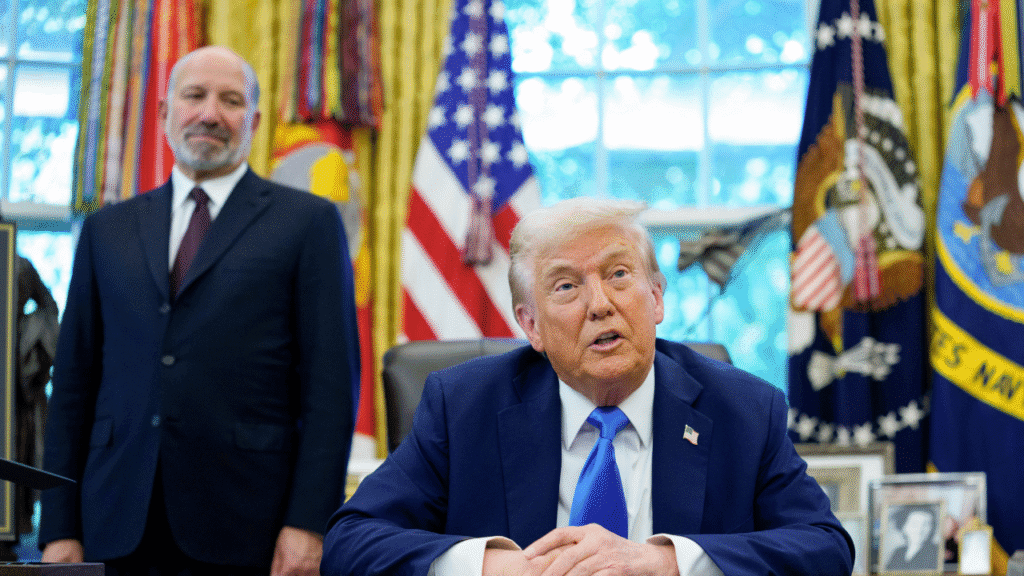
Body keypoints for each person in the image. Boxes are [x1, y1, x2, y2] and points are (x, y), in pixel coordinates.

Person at [321, 198, 853, 576]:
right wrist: (494, 566)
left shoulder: (742, 409)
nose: (600, 304)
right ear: (530, 325)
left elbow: (825, 547)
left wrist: (665, 562)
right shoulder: (463, 407)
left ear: (657, 297)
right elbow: (350, 543)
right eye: (566, 285)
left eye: (619, 274)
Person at [39, 45, 360, 576]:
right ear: (165, 111)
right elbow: (73, 385)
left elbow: (331, 390)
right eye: (195, 95)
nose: (210, 113)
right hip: (113, 522)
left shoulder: (308, 224)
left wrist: (309, 525)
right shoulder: (106, 230)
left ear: (254, 121)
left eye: (230, 101)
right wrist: (58, 528)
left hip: (248, 525)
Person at [885, 505, 941, 571]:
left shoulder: (936, 552)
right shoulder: (898, 552)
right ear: (904, 527)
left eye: (926, 524)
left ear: (932, 528)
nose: (920, 530)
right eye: (915, 524)